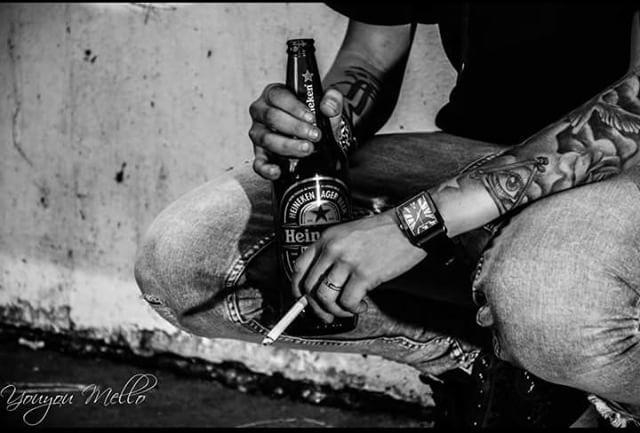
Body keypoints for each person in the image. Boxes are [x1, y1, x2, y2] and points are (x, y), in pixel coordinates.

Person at [134, 2, 640, 428]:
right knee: (185, 259)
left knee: (547, 298)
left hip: (623, 167)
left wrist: (413, 223)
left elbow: (635, 106)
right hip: (467, 150)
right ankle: (507, 371)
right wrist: (316, 129)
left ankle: (612, 402)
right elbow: (371, 55)